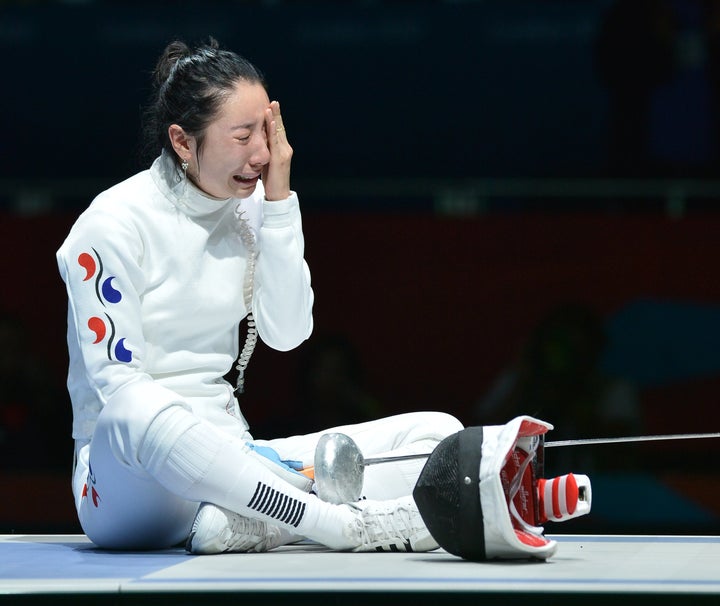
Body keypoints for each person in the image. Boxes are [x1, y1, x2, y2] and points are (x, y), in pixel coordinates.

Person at [56, 38, 463, 554]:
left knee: (435, 437)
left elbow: (289, 333)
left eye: (267, 133)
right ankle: (340, 527)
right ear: (183, 142)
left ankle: (252, 524)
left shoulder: (249, 209)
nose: (263, 154)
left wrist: (278, 202)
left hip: (237, 463)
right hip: (127, 490)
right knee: (136, 409)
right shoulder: (110, 224)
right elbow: (118, 389)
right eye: (244, 136)